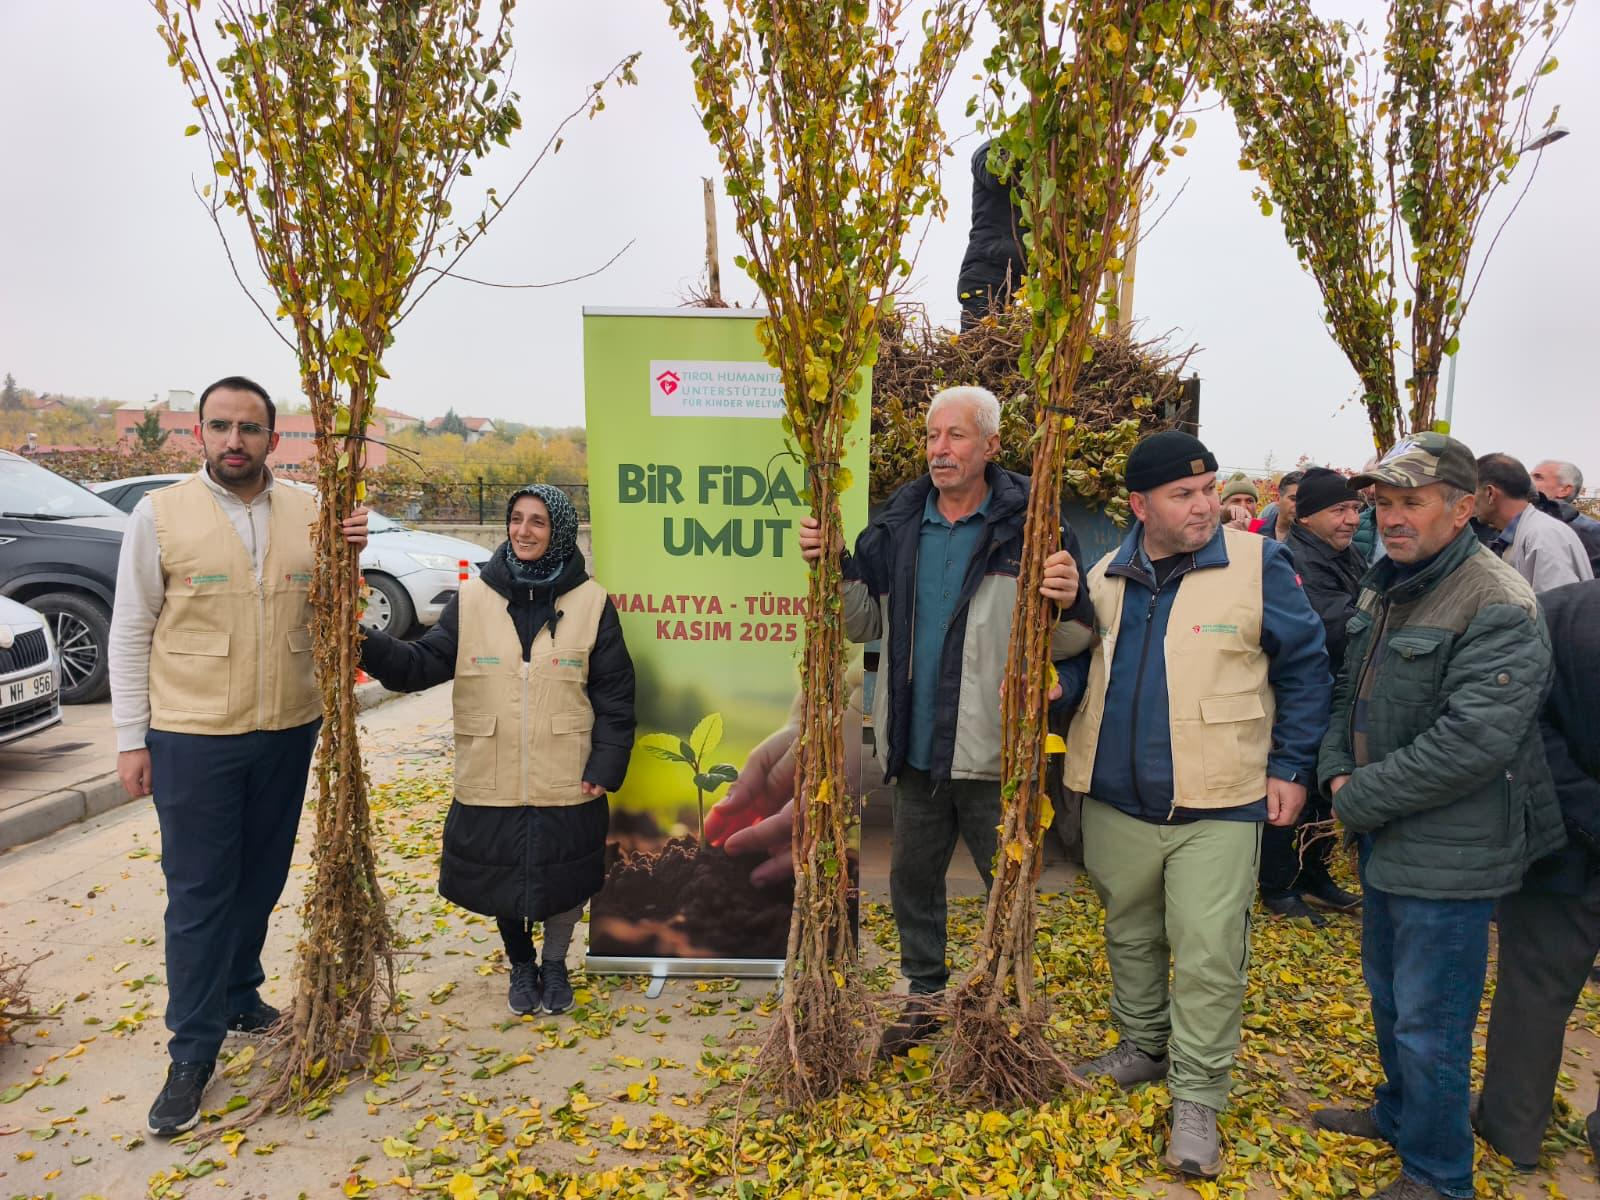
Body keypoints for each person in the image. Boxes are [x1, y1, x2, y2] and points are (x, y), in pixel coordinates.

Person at [1064, 430, 1331, 1179]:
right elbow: (1089, 672)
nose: (1205, 505)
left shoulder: (1258, 564)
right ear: (1138, 505)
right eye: (1184, 495)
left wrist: (1291, 768)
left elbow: (1308, 669)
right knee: (1130, 933)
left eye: (1210, 488)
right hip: (1118, 800)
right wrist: (1060, 693)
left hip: (1220, 800)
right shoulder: (1105, 574)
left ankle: (1199, 1096)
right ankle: (1144, 1046)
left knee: (1211, 954)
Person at [797, 385, 1094, 1055]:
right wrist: (830, 566)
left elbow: (1072, 642)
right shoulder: (901, 524)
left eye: (956, 436)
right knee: (912, 882)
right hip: (916, 745)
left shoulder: (1034, 525)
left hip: (997, 752)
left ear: (991, 445)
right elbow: (863, 621)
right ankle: (924, 994)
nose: (939, 449)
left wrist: (1069, 603)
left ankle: (999, 1001)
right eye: (933, 436)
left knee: (1007, 886)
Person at [109, 376, 369, 1137]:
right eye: (219, 426)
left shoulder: (310, 511)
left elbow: (332, 611)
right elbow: (130, 629)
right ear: (198, 434)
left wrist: (351, 555)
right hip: (192, 736)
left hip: (287, 729)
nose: (234, 441)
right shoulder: (160, 517)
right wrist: (131, 737)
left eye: (249, 428)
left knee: (260, 879)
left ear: (273, 439)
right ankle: (191, 1052)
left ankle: (237, 993)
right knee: (198, 897)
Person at [1312, 433, 1564, 1200]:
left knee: (1433, 1022)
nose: (1390, 517)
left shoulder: (1498, 601)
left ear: (1463, 509)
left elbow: (1473, 743)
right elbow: (1347, 691)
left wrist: (1356, 796)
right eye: (1382, 503)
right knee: (1392, 1003)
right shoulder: (1389, 584)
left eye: (1410, 503)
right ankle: (1400, 1116)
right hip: (1391, 838)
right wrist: (1332, 770)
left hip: (1453, 852)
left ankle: (1438, 1172)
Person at [358, 485, 635, 1020]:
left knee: (565, 874)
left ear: (558, 532)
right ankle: (521, 963)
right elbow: (420, 665)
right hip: (492, 767)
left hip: (567, 767)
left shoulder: (592, 603)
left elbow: (615, 695)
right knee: (502, 872)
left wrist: (606, 763)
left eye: (537, 522)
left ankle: (555, 964)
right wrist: (364, 639)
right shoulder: (475, 599)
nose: (523, 531)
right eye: (516, 519)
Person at [1475, 579, 1600, 1177]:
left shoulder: (1560, 609)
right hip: (1567, 842)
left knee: (1534, 990)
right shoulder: (1561, 612)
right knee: (1533, 989)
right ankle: (1511, 1123)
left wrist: (1582, 810)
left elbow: (1524, 726)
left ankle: (1512, 1125)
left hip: (1564, 839)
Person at [1259, 468, 1366, 923]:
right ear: (1306, 517)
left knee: (1323, 789)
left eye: (1356, 510)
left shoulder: (1349, 556)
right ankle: (1278, 884)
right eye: (1339, 510)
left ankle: (1314, 875)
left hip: (1340, 691)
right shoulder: (1295, 560)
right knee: (1294, 782)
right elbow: (1336, 625)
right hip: (1304, 692)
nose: (1351, 520)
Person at [1474, 452, 1592, 592]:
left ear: (1490, 493)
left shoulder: (1544, 536)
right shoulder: (1516, 535)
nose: (1469, 500)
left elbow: (1555, 608)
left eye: (1472, 491)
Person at [956, 139, 1027, 328]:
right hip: (983, 282)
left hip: (1014, 289)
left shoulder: (1040, 176)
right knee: (979, 353)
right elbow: (996, 178)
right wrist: (1025, 150)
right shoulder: (988, 151)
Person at [1530, 458, 1600, 576]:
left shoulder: (1591, 533)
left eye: (1538, 477)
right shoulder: (1516, 524)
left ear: (1564, 490)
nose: (1528, 481)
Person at [1252, 469, 1304, 541]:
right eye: (1293, 499)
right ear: (1278, 499)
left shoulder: (1314, 535)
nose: (1298, 505)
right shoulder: (1255, 528)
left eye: (1303, 500)